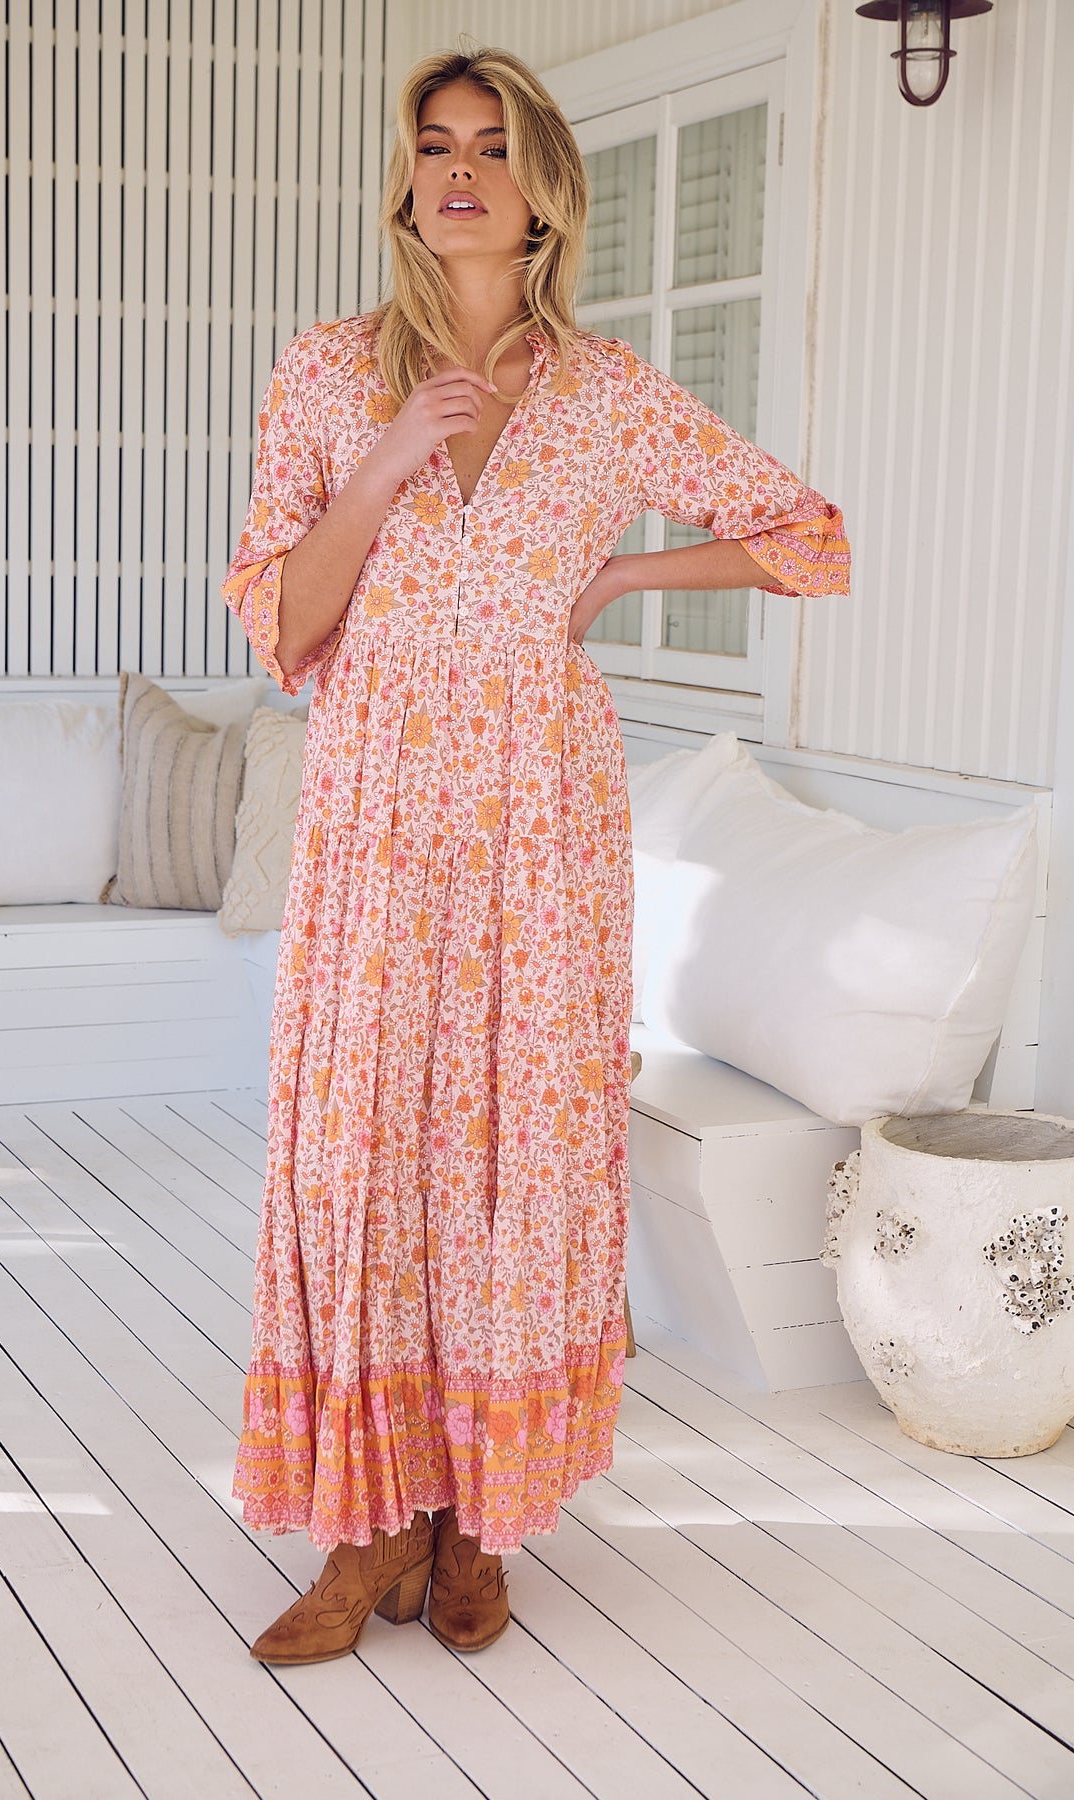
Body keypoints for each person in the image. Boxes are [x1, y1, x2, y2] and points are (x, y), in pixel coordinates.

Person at [223, 44, 850, 1668]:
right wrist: (384, 459)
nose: (459, 170)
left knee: (512, 1157)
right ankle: (365, 1529)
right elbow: (284, 623)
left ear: (544, 190)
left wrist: (626, 579)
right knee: (365, 1155)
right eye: (435, 144)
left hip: (540, 823)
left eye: (492, 146)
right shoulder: (327, 371)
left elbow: (808, 538)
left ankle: (476, 1526)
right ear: (406, 181)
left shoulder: (607, 391)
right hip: (375, 819)